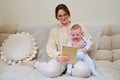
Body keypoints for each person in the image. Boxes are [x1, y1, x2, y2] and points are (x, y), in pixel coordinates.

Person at [23, 4, 94, 78]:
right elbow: (50, 48)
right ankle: (35, 64)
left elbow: (91, 42)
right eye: (60, 16)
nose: (63, 17)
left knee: (86, 72)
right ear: (57, 17)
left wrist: (83, 45)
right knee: (51, 72)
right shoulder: (54, 31)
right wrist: (58, 56)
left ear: (68, 14)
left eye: (65, 14)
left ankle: (67, 71)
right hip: (61, 59)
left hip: (77, 58)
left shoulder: (78, 27)